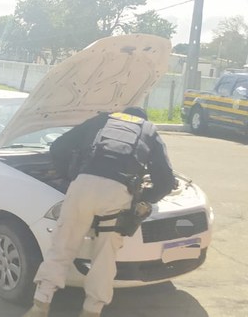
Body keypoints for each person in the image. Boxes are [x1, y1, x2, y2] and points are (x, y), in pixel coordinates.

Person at [23, 107, 175, 317]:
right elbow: (166, 181)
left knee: (62, 246)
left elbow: (58, 147)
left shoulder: (103, 120)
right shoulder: (149, 130)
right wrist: (143, 199)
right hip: (117, 194)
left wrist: (71, 177)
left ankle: (40, 305)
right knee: (104, 257)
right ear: (142, 120)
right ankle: (91, 311)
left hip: (83, 186)